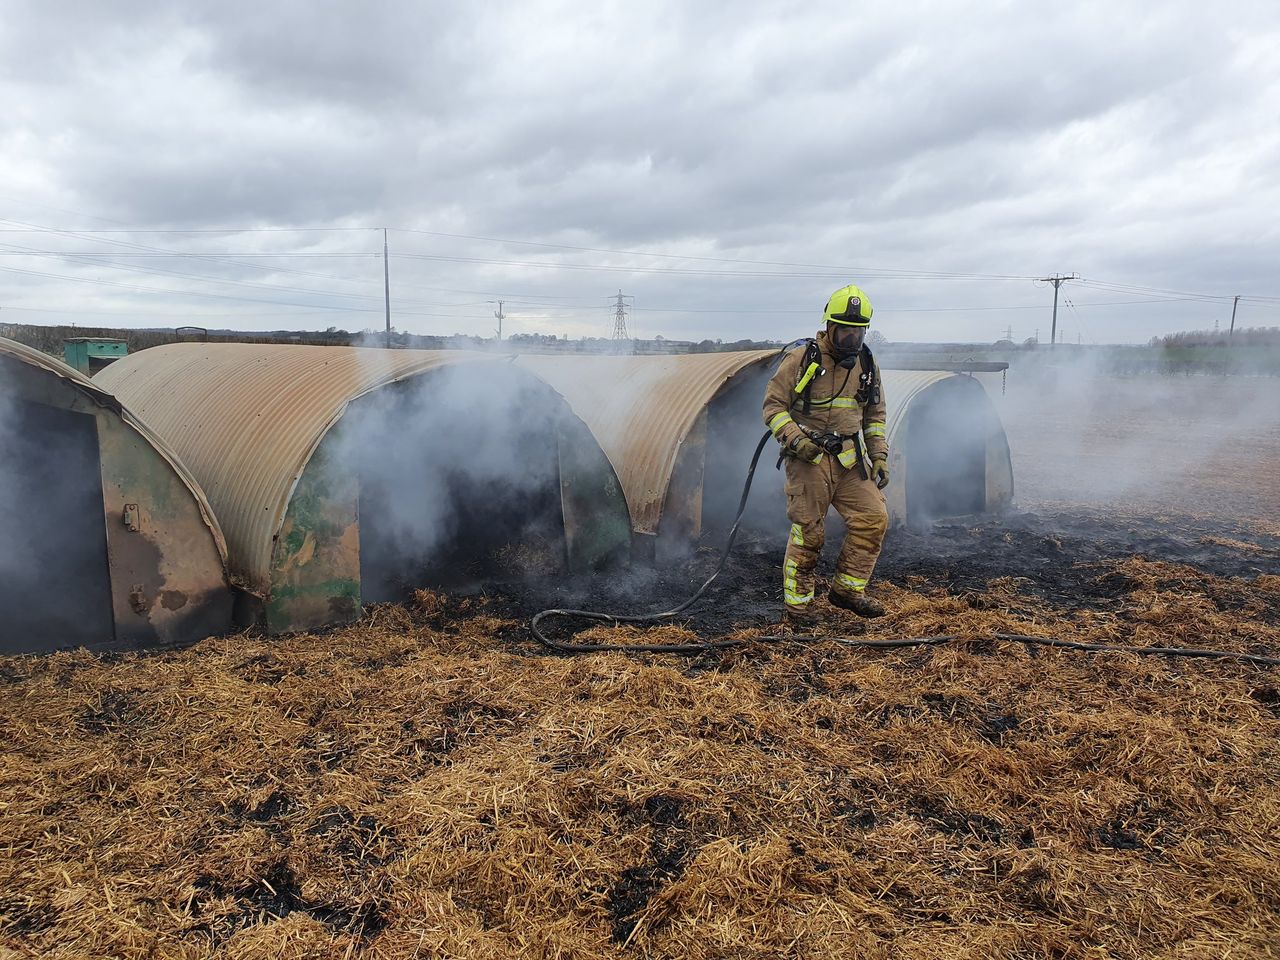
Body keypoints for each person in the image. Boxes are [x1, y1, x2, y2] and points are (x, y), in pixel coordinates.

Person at [762, 283, 890, 627]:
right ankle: (799, 611)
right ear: (829, 326)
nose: (852, 338)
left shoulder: (866, 362)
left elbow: (874, 416)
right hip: (809, 459)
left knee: (873, 519)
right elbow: (774, 407)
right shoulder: (802, 359)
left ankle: (847, 591)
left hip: (850, 460)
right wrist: (795, 440)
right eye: (845, 330)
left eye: (858, 330)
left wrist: (878, 455)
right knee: (810, 533)